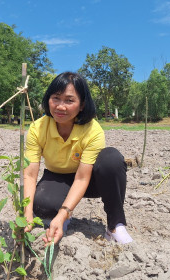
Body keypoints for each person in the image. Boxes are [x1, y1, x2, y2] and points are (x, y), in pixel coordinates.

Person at [24, 72, 133, 246]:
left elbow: (82, 178)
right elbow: (30, 175)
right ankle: (60, 215)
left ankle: (115, 226)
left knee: (111, 159)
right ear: (48, 99)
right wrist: (27, 213)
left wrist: (63, 213)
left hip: (89, 178)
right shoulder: (38, 128)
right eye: (56, 98)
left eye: (69, 100)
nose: (60, 106)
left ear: (82, 105)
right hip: (58, 176)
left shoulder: (92, 130)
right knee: (41, 204)